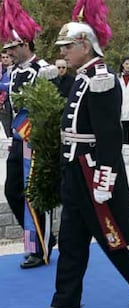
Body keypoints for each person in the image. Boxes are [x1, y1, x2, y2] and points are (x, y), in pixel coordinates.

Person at [50, 1, 129, 308]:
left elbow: (110, 136)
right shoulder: (82, 77)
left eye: (67, 46)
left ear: (85, 45)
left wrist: (105, 177)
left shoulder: (101, 78)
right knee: (71, 241)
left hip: (91, 170)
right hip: (74, 169)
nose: (63, 53)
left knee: (111, 234)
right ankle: (65, 301)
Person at [0, 0, 57, 269]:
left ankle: (38, 247)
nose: (8, 52)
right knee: (12, 190)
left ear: (25, 44)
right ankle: (42, 235)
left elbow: (50, 106)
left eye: (12, 47)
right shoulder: (12, 73)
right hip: (17, 139)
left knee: (34, 195)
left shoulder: (42, 70)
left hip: (36, 140)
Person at [0, 52, 11, 137]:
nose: (5, 59)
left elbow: (10, 85)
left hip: (10, 101)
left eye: (7, 57)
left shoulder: (14, 70)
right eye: (3, 57)